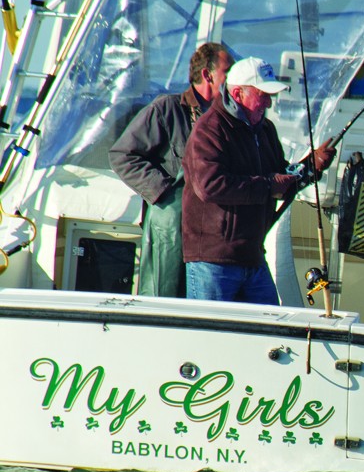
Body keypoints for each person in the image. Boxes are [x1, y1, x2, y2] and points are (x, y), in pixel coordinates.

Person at [181, 56, 336, 304]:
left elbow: (280, 178)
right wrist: (269, 185)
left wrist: (310, 167)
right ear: (238, 93)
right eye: (262, 94)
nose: (269, 102)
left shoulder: (265, 130)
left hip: (252, 255)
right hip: (213, 260)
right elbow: (209, 186)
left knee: (270, 333)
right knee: (210, 338)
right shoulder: (209, 129)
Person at [109, 42, 234, 297]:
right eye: (227, 71)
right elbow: (122, 155)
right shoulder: (167, 109)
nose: (233, 78)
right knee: (163, 298)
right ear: (207, 75)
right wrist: (167, 194)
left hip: (213, 238)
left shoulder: (229, 120)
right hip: (172, 232)